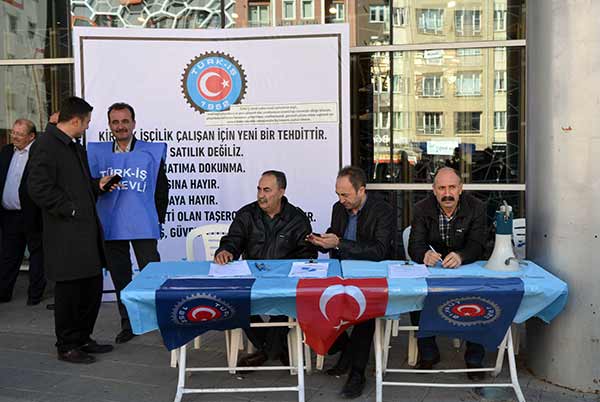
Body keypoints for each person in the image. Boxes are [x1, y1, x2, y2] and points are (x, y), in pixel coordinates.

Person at [27, 96, 118, 364]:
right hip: (66, 234)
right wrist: (71, 209)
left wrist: (96, 185)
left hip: (86, 232)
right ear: (75, 120)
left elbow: (75, 185)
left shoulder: (73, 147)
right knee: (70, 291)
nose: (88, 126)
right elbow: (38, 187)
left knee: (91, 287)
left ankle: (82, 337)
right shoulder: (46, 145)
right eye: (87, 122)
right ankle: (67, 345)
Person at [306, 165, 394, 399]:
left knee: (364, 314)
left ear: (362, 190)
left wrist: (339, 244)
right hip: (343, 271)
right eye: (337, 194)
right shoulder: (339, 208)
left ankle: (357, 373)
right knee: (316, 301)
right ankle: (346, 350)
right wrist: (322, 239)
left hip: (372, 275)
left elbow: (380, 250)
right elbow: (336, 234)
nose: (340, 199)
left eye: (345, 194)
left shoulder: (383, 210)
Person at [214, 170, 316, 367]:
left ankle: (265, 351)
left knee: (290, 302)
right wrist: (225, 250)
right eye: (259, 189)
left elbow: (308, 254)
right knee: (236, 301)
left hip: (284, 280)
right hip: (253, 278)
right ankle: (275, 349)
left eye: (267, 190)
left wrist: (292, 272)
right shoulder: (247, 214)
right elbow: (233, 240)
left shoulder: (297, 218)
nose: (261, 195)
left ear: (281, 192)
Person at [90, 102, 169, 344]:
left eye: (125, 121)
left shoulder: (150, 153)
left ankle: (159, 318)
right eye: (115, 122)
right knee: (120, 276)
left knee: (151, 273)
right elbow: (90, 187)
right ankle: (129, 323)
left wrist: (158, 218)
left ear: (134, 123)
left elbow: (161, 189)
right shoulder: (98, 155)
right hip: (111, 224)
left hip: (143, 224)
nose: (120, 126)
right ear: (109, 125)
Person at [408, 167, 487, 380]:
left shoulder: (477, 207)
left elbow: (479, 244)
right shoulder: (421, 208)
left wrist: (461, 256)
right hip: (434, 271)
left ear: (461, 189)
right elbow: (414, 245)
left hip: (466, 269)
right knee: (418, 296)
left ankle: (474, 360)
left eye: (452, 187)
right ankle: (429, 353)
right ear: (434, 190)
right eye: (442, 188)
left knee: (479, 298)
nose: (447, 193)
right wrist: (424, 254)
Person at [0, 119, 45, 305]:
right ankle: (3, 293)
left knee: (36, 255)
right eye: (13, 132)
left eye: (19, 133)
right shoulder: (6, 152)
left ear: (31, 136)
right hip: (9, 215)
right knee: (9, 255)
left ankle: (34, 296)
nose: (14, 136)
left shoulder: (39, 154)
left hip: (32, 214)